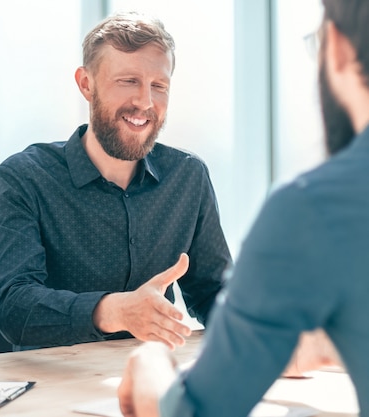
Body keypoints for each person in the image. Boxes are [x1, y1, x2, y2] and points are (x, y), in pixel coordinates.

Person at [118, 0, 369, 415]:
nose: (144, 101)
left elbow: (193, 410)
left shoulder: (312, 208)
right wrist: (330, 343)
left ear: (338, 49)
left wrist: (150, 365)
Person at [0, 11, 232, 351]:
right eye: (128, 81)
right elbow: (14, 308)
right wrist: (115, 311)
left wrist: (260, 329)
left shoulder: (188, 176)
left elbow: (211, 290)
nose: (145, 102)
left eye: (158, 86)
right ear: (86, 84)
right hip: (57, 388)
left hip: (156, 377)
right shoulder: (24, 179)